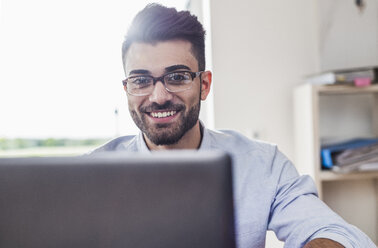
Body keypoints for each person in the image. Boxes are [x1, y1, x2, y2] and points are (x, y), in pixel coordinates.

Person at [92, 3, 375, 248]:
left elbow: (338, 234)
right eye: (140, 80)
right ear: (127, 88)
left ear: (204, 84)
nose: (159, 96)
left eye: (177, 76)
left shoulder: (263, 165)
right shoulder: (91, 176)